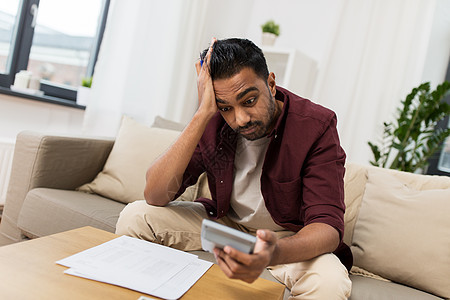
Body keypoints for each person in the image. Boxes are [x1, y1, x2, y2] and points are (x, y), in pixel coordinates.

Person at [116, 37, 352, 299]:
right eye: (226, 107)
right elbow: (155, 194)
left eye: (249, 101)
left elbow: (327, 227)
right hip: (227, 226)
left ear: (271, 84)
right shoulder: (214, 119)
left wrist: (273, 252)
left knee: (330, 284)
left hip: (287, 238)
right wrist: (202, 114)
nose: (240, 118)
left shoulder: (316, 125)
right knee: (136, 216)